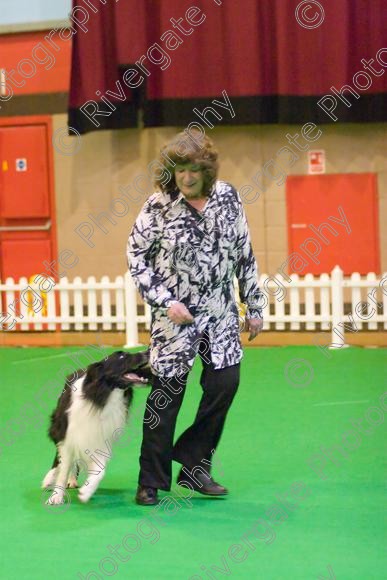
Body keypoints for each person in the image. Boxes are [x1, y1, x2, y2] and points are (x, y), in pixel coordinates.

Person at [127, 131, 264, 505]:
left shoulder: (228, 198)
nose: (185, 177)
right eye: (179, 170)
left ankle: (193, 464)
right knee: (165, 399)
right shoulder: (156, 207)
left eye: (192, 170)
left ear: (207, 170)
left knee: (225, 384)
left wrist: (254, 304)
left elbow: (244, 253)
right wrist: (164, 301)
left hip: (220, 314)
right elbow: (136, 259)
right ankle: (150, 480)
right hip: (174, 319)